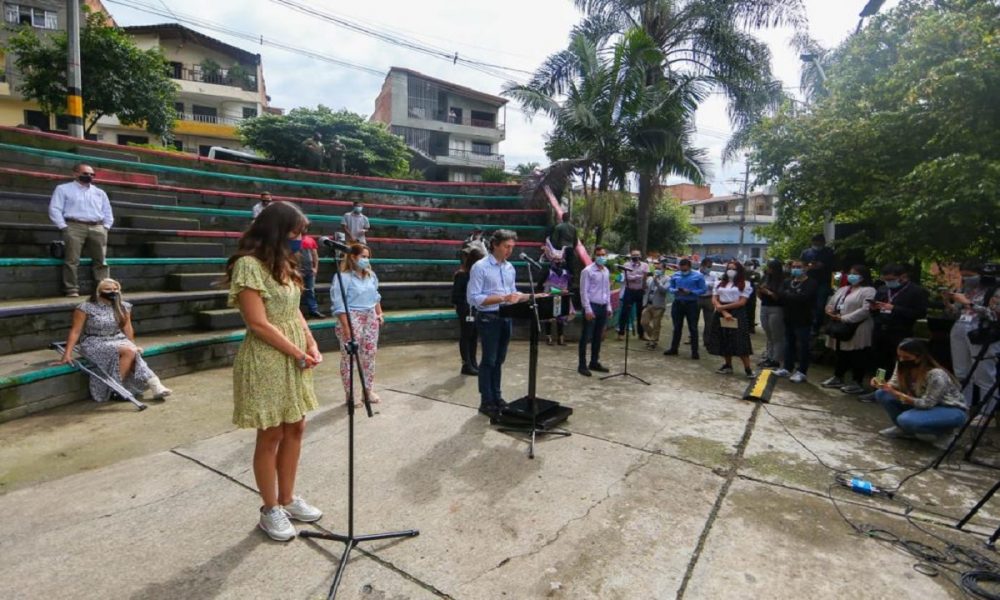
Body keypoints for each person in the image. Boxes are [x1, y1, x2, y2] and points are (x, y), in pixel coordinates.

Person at [225, 201, 323, 542]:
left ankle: (288, 498)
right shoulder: (248, 266)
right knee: (271, 434)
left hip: (294, 353)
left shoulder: (284, 263)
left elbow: (294, 311)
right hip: (267, 357)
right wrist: (297, 352)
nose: (299, 239)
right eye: (295, 232)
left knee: (296, 425)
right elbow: (258, 323)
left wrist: (310, 342)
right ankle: (270, 509)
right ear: (277, 230)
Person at [55, 278, 171, 402]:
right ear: (98, 291)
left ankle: (124, 388)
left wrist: (132, 344)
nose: (113, 292)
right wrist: (67, 354)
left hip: (117, 338)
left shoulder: (123, 306)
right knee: (129, 351)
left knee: (131, 351)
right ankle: (152, 384)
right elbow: (76, 331)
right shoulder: (85, 307)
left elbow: (127, 327)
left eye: (115, 289)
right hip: (94, 341)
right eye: (108, 289)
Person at [467, 229, 526, 417]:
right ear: (495, 245)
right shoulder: (480, 267)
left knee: (499, 360)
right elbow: (474, 298)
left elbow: (512, 292)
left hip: (505, 317)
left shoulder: (510, 268)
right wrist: (502, 298)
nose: (510, 251)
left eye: (512, 247)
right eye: (506, 246)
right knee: (489, 360)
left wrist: (526, 296)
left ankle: (497, 396)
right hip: (488, 318)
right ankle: (486, 400)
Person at [875, 338, 967, 444]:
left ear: (919, 357)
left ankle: (944, 433)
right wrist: (882, 385)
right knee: (882, 393)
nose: (901, 360)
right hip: (921, 402)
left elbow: (927, 403)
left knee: (905, 420)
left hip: (948, 408)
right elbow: (893, 384)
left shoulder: (936, 374)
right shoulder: (902, 365)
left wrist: (895, 393)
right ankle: (904, 430)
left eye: (906, 357)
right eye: (899, 356)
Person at [863, 264, 929, 401]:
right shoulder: (882, 289)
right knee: (880, 362)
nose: (888, 282)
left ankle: (898, 390)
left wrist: (895, 308)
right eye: (885, 279)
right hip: (881, 330)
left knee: (898, 363)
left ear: (903, 277)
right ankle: (878, 389)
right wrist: (874, 309)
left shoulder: (916, 292)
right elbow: (874, 310)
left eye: (891, 279)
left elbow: (920, 313)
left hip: (899, 331)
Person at [331, 243, 385, 405]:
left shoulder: (371, 275)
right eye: (363, 256)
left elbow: (375, 295)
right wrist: (346, 327)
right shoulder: (343, 277)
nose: (366, 260)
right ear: (353, 257)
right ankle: (350, 394)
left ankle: (367, 391)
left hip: (370, 316)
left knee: (369, 355)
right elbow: (339, 304)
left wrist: (379, 313)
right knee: (349, 358)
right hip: (351, 316)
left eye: (368, 257)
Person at [48, 163, 113, 298]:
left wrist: (106, 227)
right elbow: (55, 208)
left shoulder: (99, 192)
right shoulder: (63, 189)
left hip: (97, 227)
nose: (89, 176)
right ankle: (71, 289)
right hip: (74, 226)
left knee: (101, 261)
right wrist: (63, 226)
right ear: (75, 174)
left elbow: (107, 211)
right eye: (85, 173)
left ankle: (103, 290)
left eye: (91, 174)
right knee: (72, 260)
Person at [942, 260, 1000, 408]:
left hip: (982, 334)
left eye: (970, 275)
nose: (966, 279)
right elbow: (955, 313)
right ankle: (962, 406)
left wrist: (970, 304)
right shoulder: (966, 289)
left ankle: (987, 412)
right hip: (960, 330)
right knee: (961, 373)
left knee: (984, 374)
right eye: (963, 275)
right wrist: (948, 302)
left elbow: (994, 315)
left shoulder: (995, 289)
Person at [821, 264, 877, 394]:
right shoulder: (844, 289)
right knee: (841, 353)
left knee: (857, 354)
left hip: (858, 327)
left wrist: (844, 318)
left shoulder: (868, 290)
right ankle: (838, 376)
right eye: (850, 273)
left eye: (855, 274)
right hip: (840, 326)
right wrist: (830, 311)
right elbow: (831, 302)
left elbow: (865, 310)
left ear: (863, 276)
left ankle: (857, 381)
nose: (851, 276)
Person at [706, 261, 755, 378]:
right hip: (721, 312)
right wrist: (722, 311)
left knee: (740, 340)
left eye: (734, 269)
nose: (731, 271)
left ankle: (748, 369)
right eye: (729, 268)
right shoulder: (719, 283)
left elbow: (741, 302)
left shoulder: (745, 284)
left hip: (736, 313)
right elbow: (714, 299)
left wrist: (724, 308)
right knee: (724, 338)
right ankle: (728, 365)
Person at [772, 260, 818, 383]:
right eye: (793, 267)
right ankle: (787, 367)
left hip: (804, 319)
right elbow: (780, 295)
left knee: (803, 346)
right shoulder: (787, 282)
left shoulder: (811, 283)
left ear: (805, 268)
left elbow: (804, 298)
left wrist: (790, 295)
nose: (795, 269)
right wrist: (793, 295)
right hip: (788, 317)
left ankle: (802, 371)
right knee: (789, 343)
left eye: (799, 267)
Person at [578, 246, 613, 376]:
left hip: (603, 306)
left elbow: (607, 291)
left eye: (603, 255)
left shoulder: (606, 271)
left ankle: (594, 362)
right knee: (586, 336)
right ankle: (582, 365)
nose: (601, 257)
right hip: (592, 306)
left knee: (598, 337)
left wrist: (609, 306)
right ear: (594, 256)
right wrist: (587, 309)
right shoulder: (587, 271)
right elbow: (584, 291)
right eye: (598, 255)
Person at [663, 259, 706, 358]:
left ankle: (695, 351)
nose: (682, 269)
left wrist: (691, 292)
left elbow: (703, 289)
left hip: (691, 303)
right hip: (678, 302)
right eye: (681, 267)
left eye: (684, 267)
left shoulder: (698, 276)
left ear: (689, 266)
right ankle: (674, 348)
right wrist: (676, 290)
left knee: (693, 327)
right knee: (677, 327)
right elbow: (670, 287)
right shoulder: (676, 275)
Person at [452, 245, 485, 376]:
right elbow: (456, 296)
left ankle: (473, 361)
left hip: (475, 309)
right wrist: (466, 307)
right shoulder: (462, 275)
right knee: (466, 335)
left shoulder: (476, 275)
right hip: (466, 310)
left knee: (474, 335)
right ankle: (466, 364)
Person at [800, 234, 836, 335]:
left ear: (823, 243)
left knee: (820, 305)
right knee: (809, 304)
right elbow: (802, 266)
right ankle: (808, 325)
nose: (817, 245)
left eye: (819, 243)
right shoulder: (806, 253)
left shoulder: (829, 252)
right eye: (815, 243)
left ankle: (816, 327)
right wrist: (809, 267)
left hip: (824, 282)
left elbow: (835, 267)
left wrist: (823, 266)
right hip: (809, 281)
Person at [539, 244, 573, 345]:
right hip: (549, 297)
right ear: (551, 260)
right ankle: (548, 337)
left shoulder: (565, 272)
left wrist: (567, 290)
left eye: (559, 260)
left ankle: (560, 337)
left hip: (561, 297)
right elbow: (540, 284)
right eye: (555, 260)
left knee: (561, 317)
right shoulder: (547, 271)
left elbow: (570, 284)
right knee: (549, 318)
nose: (557, 262)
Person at [756, 259, 786, 369]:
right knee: (768, 334)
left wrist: (768, 292)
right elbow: (760, 295)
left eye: (769, 267)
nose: (767, 269)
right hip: (764, 306)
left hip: (776, 308)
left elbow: (778, 297)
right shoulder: (765, 278)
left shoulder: (782, 280)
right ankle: (769, 356)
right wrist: (760, 291)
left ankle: (776, 359)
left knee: (776, 335)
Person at [618, 250, 649, 340]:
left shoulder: (645, 265)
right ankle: (621, 333)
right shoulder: (626, 265)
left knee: (641, 313)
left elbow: (645, 277)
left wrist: (637, 279)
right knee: (625, 312)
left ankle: (641, 334)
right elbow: (627, 277)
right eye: (633, 255)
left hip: (640, 291)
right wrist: (638, 276)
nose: (635, 257)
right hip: (629, 291)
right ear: (631, 256)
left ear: (640, 256)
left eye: (637, 255)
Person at [641, 260, 672, 349]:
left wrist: (657, 281)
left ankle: (653, 341)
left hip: (658, 305)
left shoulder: (668, 279)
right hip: (648, 304)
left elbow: (664, 290)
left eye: (660, 268)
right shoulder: (650, 278)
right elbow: (645, 289)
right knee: (644, 322)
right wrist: (644, 280)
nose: (657, 269)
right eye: (656, 268)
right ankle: (652, 338)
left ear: (664, 269)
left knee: (656, 324)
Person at [297, 227, 324, 319]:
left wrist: (315, 268)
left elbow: (315, 255)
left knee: (310, 291)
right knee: (297, 291)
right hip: (298, 270)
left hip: (309, 270)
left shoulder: (310, 240)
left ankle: (313, 310)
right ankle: (296, 312)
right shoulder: (294, 240)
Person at [697, 258, 718, 348]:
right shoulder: (696, 274)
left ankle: (707, 340)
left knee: (709, 322)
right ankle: (692, 338)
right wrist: (709, 284)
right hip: (697, 298)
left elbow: (716, 285)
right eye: (708, 266)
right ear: (703, 265)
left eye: (710, 266)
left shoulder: (713, 274)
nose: (709, 268)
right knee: (693, 320)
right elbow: (695, 284)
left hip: (709, 299)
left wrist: (705, 283)